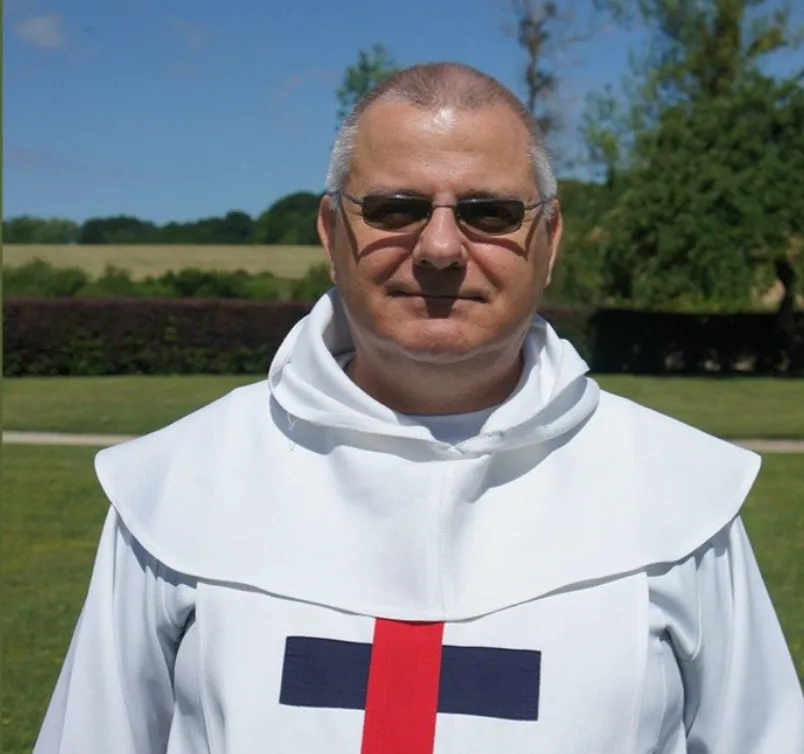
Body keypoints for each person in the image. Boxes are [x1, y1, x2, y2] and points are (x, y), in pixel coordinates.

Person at [34, 62, 803, 754]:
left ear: (549, 238)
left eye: (489, 212)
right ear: (331, 232)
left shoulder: (676, 499)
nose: (439, 248)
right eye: (395, 208)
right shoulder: (179, 487)